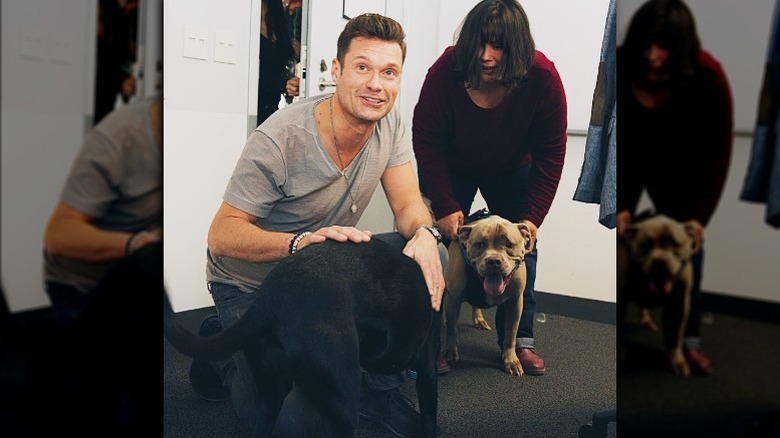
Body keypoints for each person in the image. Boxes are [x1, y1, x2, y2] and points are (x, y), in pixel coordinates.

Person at [193, 13, 445, 438]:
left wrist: (424, 231)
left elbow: (408, 206)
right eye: (363, 67)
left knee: (427, 254)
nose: (376, 85)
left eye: (389, 72)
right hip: (251, 284)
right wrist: (300, 243)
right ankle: (226, 346)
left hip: (322, 280)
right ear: (336, 70)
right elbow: (221, 234)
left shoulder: (391, 123)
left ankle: (379, 391)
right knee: (294, 423)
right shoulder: (280, 139)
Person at [412, 0, 567, 376]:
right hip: (451, 164)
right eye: (479, 44)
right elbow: (426, 140)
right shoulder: (446, 70)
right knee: (428, 241)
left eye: (498, 46)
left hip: (513, 166)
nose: (486, 56)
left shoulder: (542, 78)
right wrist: (446, 205)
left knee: (521, 247)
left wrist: (532, 218)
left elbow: (550, 155)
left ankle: (520, 341)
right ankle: (430, 341)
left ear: (517, 48)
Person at [616, 0, 733, 374]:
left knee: (688, 251)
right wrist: (619, 204)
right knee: (621, 250)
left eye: (663, 46)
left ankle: (688, 341)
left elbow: (717, 157)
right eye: (645, 45)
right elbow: (615, 140)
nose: (652, 56)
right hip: (629, 159)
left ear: (681, 47)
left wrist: (699, 218)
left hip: (687, 168)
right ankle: (615, 339)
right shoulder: (621, 64)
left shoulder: (707, 77)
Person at [43, 94, 162, 328]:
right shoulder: (117, 139)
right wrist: (137, 244)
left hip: (135, 280)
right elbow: (58, 234)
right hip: (82, 285)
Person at [258, 0, 301, 126]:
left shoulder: (277, 18)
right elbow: (253, 76)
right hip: (253, 108)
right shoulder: (246, 20)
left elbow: (281, 59)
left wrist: (294, 50)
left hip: (272, 110)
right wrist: (284, 84)